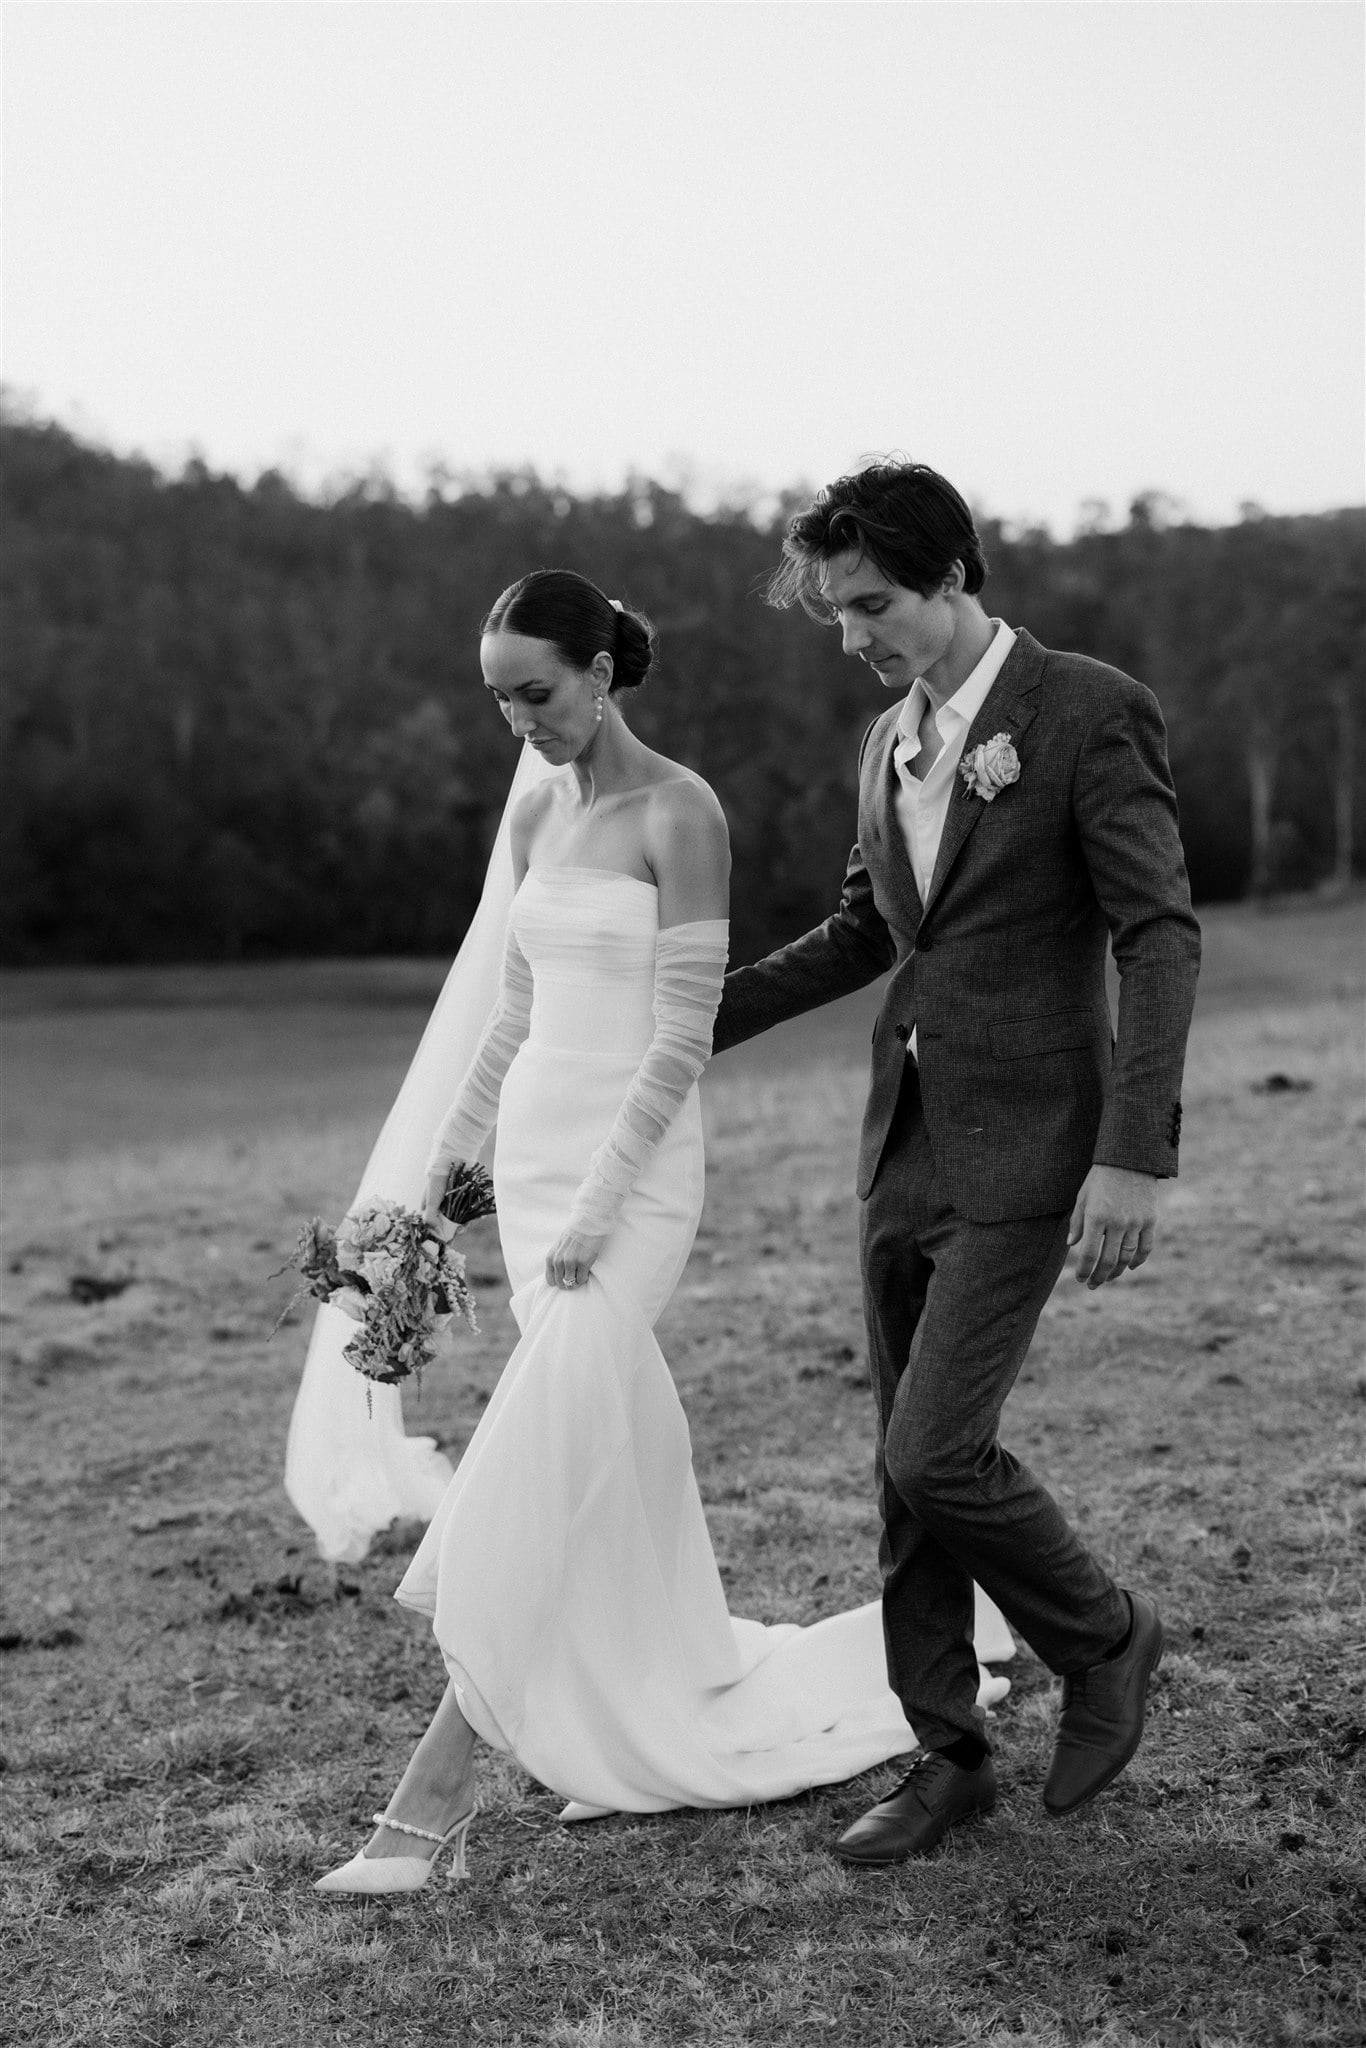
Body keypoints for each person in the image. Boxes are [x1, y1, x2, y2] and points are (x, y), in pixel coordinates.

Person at [310, 568, 1015, 1895]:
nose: (521, 721)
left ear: (599, 672)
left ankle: (430, 1803)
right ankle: (634, 1704)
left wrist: (599, 1201)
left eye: (537, 693)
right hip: (534, 1164)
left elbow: (683, 1034)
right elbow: (512, 1016)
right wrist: (436, 1180)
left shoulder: (681, 811)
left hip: (628, 1177)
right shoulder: (536, 813)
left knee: (537, 1454)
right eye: (499, 700)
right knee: (592, 1444)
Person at [710, 462, 1202, 1865]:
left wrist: (1133, 1154)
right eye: (834, 610)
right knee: (901, 1468)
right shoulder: (887, 741)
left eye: (872, 604)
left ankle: (1105, 1636)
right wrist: (690, 1018)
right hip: (903, 1141)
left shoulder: (1086, 709)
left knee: (936, 1450)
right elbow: (869, 931)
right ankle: (946, 1756)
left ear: (952, 577)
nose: (852, 634)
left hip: (1036, 1142)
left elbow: (1156, 933)